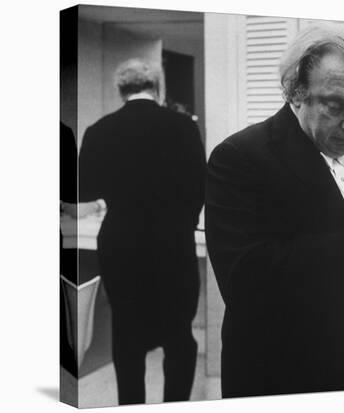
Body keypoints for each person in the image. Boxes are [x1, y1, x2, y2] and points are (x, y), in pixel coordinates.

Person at [205, 23, 344, 397]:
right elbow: (244, 281)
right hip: (283, 375)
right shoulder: (239, 158)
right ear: (295, 94)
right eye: (335, 105)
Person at [79, 59, 206, 404]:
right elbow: (200, 185)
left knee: (126, 334)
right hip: (173, 243)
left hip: (121, 243)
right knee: (179, 335)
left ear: (120, 91)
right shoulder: (183, 127)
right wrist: (184, 217)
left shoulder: (99, 130)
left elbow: (85, 189)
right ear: (158, 87)